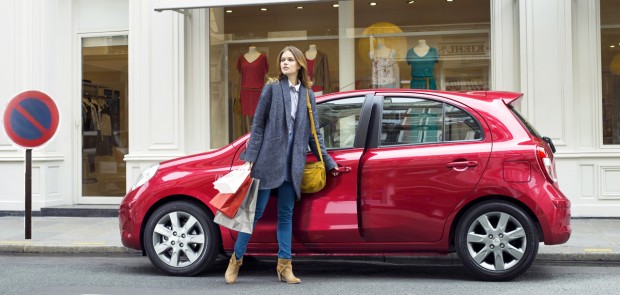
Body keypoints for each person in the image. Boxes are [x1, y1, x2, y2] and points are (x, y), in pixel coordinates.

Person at [225, 45, 342, 284]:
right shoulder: (271, 89)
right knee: (254, 214)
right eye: (282, 60)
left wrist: (328, 162)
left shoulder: (308, 94)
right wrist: (250, 159)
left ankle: (285, 266)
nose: (285, 63)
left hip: (293, 163)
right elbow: (257, 127)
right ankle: (235, 261)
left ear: (299, 64)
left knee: (286, 215)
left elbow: (313, 134)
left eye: (290, 60)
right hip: (267, 161)